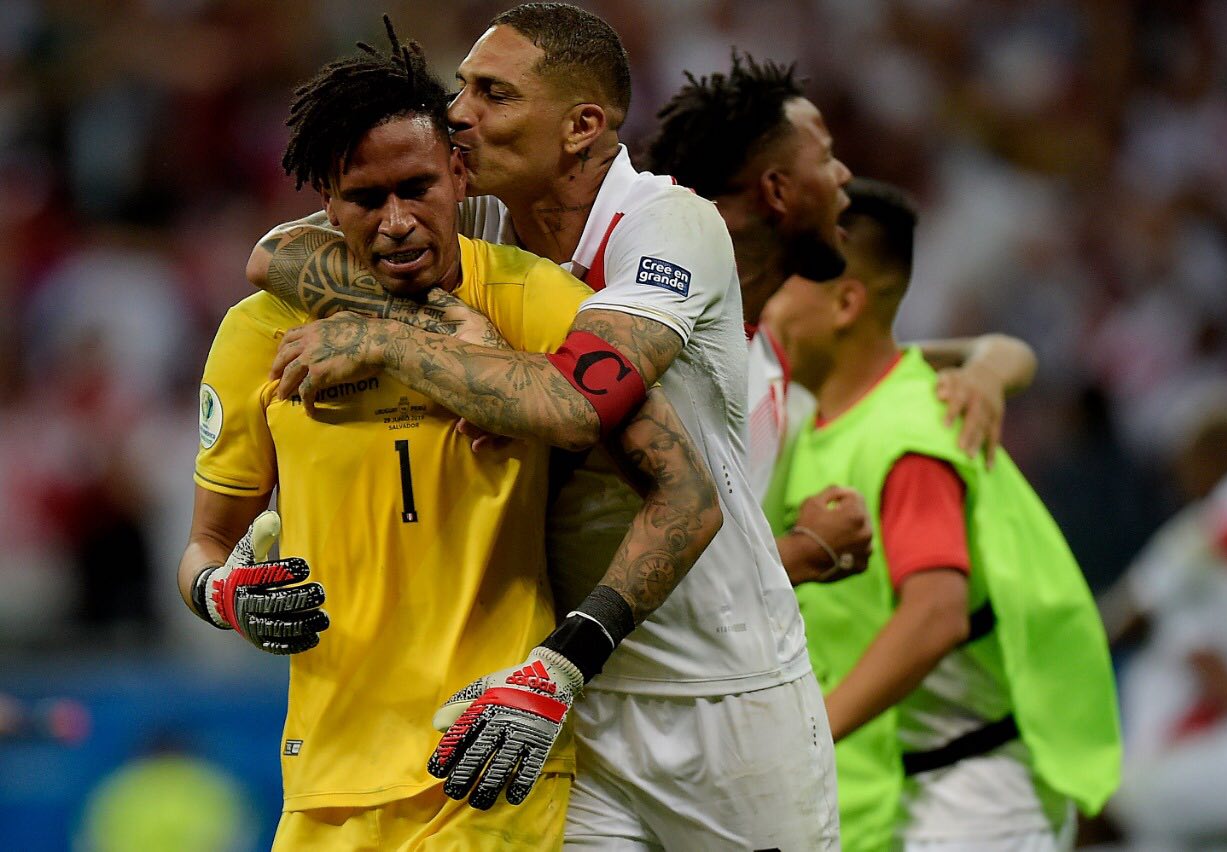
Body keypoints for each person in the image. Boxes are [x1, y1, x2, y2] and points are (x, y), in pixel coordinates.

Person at [256, 5, 843, 847]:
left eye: (492, 93)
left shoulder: (665, 224)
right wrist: (450, 335)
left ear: (582, 127)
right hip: (561, 696)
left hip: (724, 692)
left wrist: (388, 338)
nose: (458, 112)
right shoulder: (482, 220)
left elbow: (571, 407)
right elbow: (275, 252)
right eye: (461, 87)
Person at [179, 27, 719, 849]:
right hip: (325, 773)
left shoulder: (532, 300)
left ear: (459, 175)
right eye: (366, 199)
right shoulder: (258, 333)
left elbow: (686, 494)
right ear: (325, 201)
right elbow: (203, 546)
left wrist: (563, 664)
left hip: (488, 755)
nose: (397, 223)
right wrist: (226, 595)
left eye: (418, 187)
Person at [761, 178, 1122, 851]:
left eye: (789, 279)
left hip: (976, 797)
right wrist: (993, 364)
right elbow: (975, 350)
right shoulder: (838, 412)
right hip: (907, 784)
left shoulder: (912, 432)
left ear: (846, 303)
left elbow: (935, 614)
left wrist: (804, 735)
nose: (769, 298)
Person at [642, 52, 1035, 575]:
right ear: (777, 190)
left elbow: (980, 353)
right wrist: (805, 551)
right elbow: (641, 577)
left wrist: (985, 371)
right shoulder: (660, 351)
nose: (844, 175)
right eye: (826, 158)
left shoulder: (772, 355)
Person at [1103, 406, 1227, 848]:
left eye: (1185, 466)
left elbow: (1126, 612)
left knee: (1123, 796)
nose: (1182, 481)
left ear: (1214, 458)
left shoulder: (1221, 516)